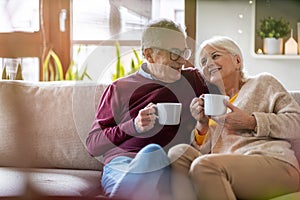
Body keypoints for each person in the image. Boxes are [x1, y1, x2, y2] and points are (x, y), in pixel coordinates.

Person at [86, 18, 217, 200]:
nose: (182, 60)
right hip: (124, 164)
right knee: (152, 154)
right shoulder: (120, 88)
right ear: (149, 55)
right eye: (174, 53)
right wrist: (134, 126)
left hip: (169, 165)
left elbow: (233, 84)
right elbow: (93, 145)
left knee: (157, 157)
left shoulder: (194, 80)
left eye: (184, 52)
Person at [168, 36, 300, 200]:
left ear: (237, 61)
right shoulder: (214, 103)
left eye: (215, 56)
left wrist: (251, 122)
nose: (208, 64)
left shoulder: (263, 82)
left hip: (274, 162)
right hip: (225, 165)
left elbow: (296, 123)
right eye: (203, 62)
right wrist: (202, 124)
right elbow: (206, 152)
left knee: (204, 166)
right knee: (178, 153)